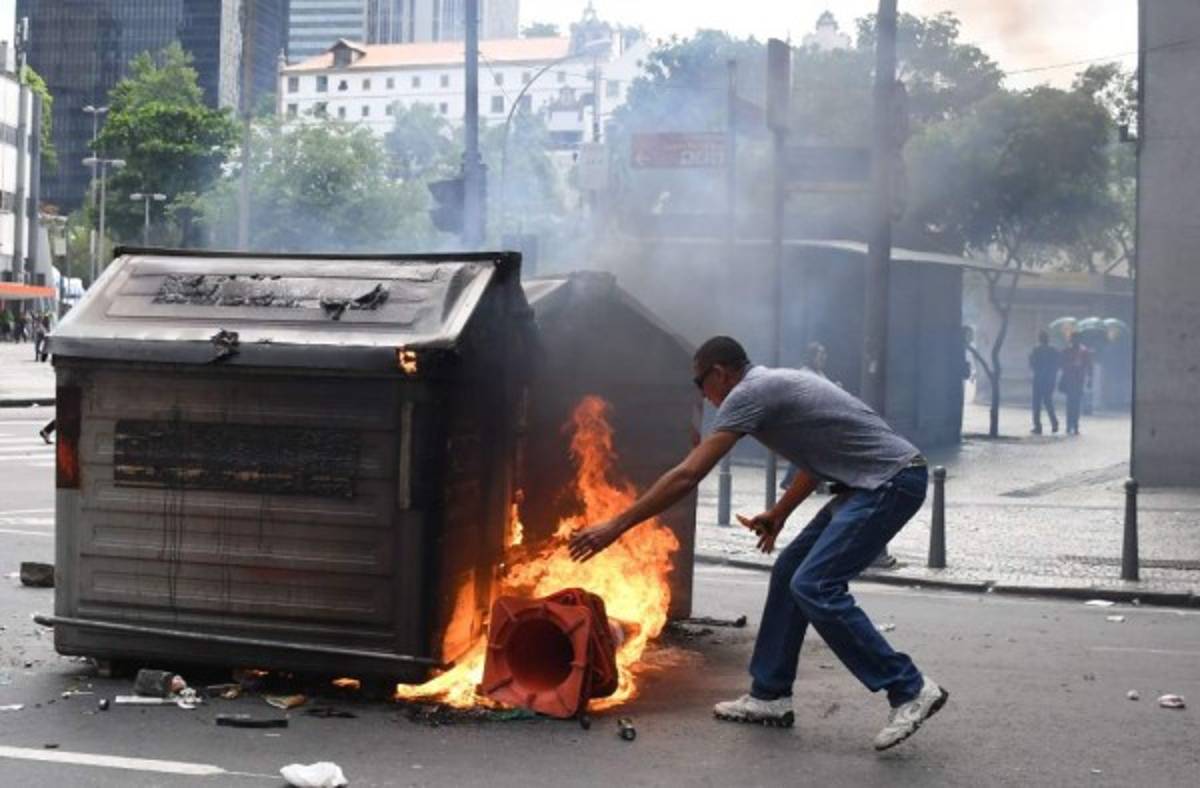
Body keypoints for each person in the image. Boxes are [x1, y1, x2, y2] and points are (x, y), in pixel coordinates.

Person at [569, 336, 947, 750]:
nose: (703, 395)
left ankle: (908, 688)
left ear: (719, 373)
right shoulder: (775, 386)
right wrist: (779, 513)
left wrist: (616, 526)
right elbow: (815, 461)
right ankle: (770, 695)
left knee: (815, 585)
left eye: (700, 383)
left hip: (888, 483)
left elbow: (688, 474)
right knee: (789, 574)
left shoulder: (747, 393)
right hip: (871, 483)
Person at [1058, 335, 1093, 436]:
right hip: (1072, 379)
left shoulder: (1082, 351)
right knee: (1072, 403)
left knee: (1075, 403)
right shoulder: (1069, 351)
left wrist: (1090, 378)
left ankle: (1074, 425)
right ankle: (1071, 425)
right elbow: (1061, 363)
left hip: (1077, 380)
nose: (1074, 342)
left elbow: (1089, 366)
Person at [1028, 330, 1060, 435]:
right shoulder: (1054, 350)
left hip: (1038, 379)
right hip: (1049, 380)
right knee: (1048, 402)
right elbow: (1057, 365)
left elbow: (1032, 363)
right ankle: (1054, 423)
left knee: (1036, 404)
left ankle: (1038, 426)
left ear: (1040, 339)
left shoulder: (1036, 350)